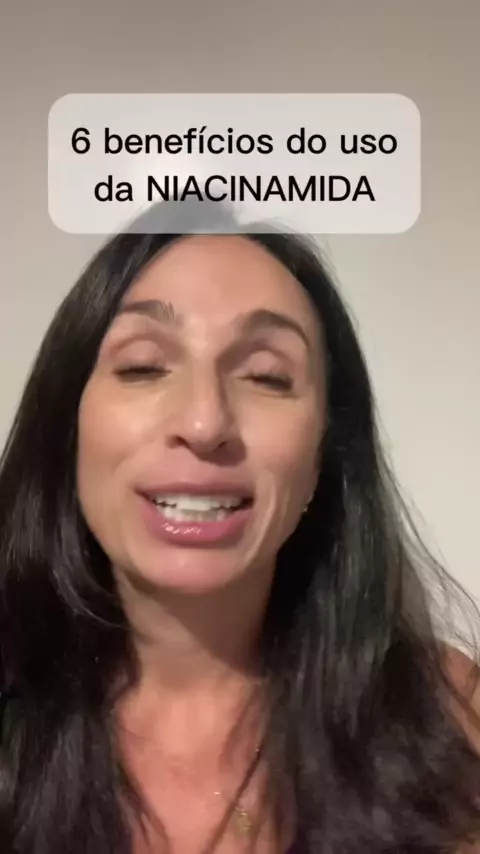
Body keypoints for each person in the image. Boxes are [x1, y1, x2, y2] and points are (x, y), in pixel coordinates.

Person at [1, 199, 480, 854]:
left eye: (266, 376)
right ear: (68, 424)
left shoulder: (447, 720)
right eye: (143, 366)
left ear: (324, 454)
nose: (205, 423)